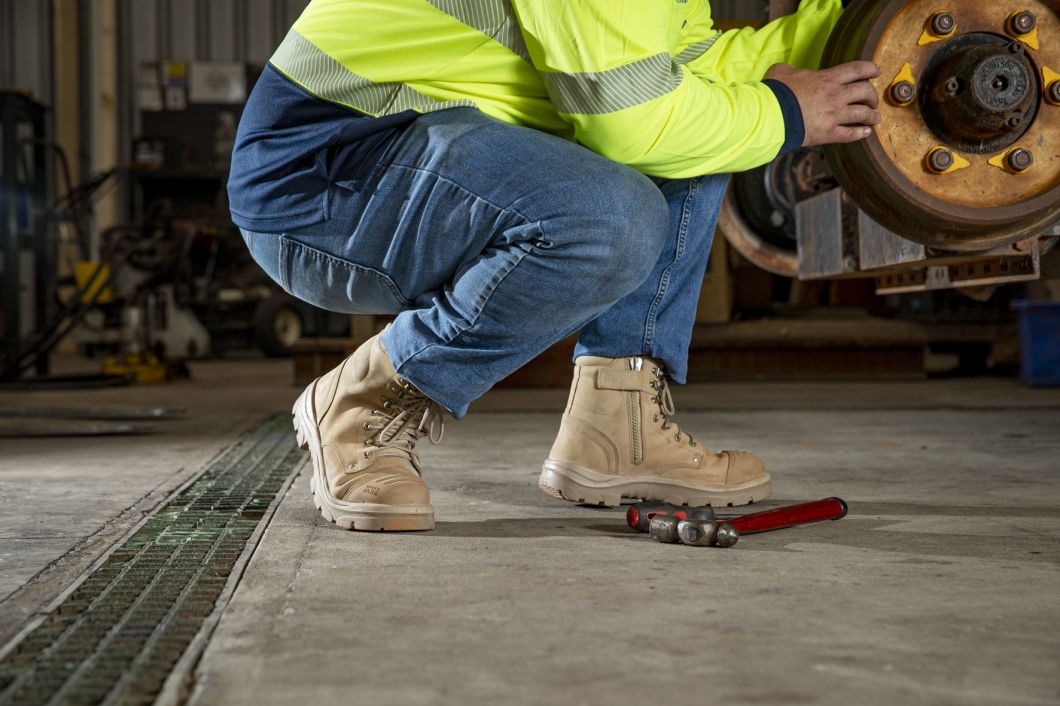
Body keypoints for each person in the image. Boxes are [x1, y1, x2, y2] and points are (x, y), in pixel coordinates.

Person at [229, 0, 880, 531]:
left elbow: (698, 71)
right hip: (321, 183)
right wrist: (790, 112)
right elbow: (634, 123)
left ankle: (617, 423)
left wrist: (863, 20)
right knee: (614, 216)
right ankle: (368, 396)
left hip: (414, 147)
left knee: (713, 113)